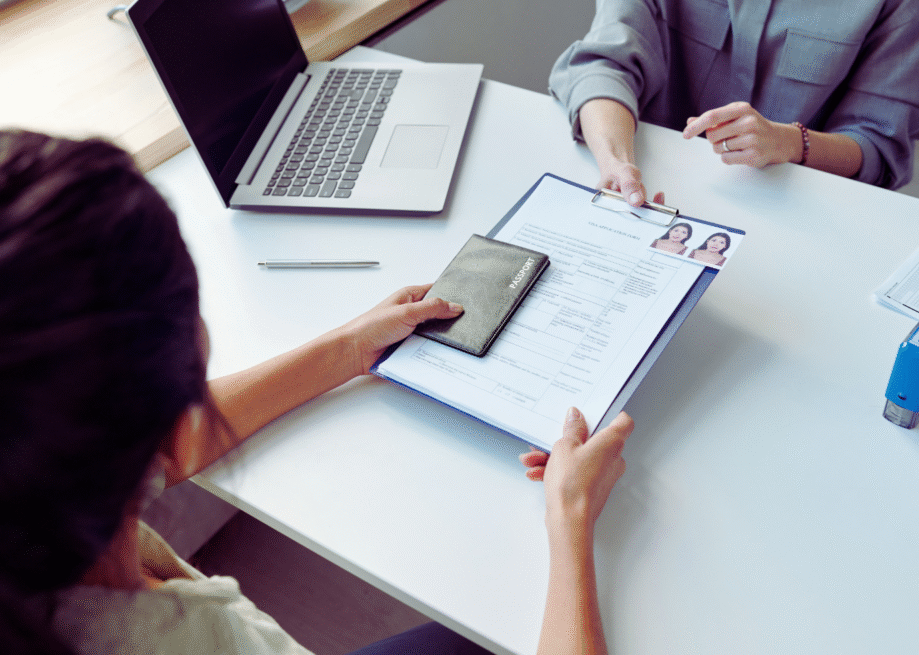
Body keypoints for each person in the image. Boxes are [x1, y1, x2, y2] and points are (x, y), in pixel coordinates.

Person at [0, 130, 634, 655]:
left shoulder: (39, 510)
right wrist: (571, 517)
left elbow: (168, 449)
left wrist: (349, 347)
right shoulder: (184, 642)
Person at [549, 0, 919, 206]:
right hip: (655, 187)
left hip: (800, 211)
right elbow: (603, 65)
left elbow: (880, 149)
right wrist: (616, 164)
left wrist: (791, 143)